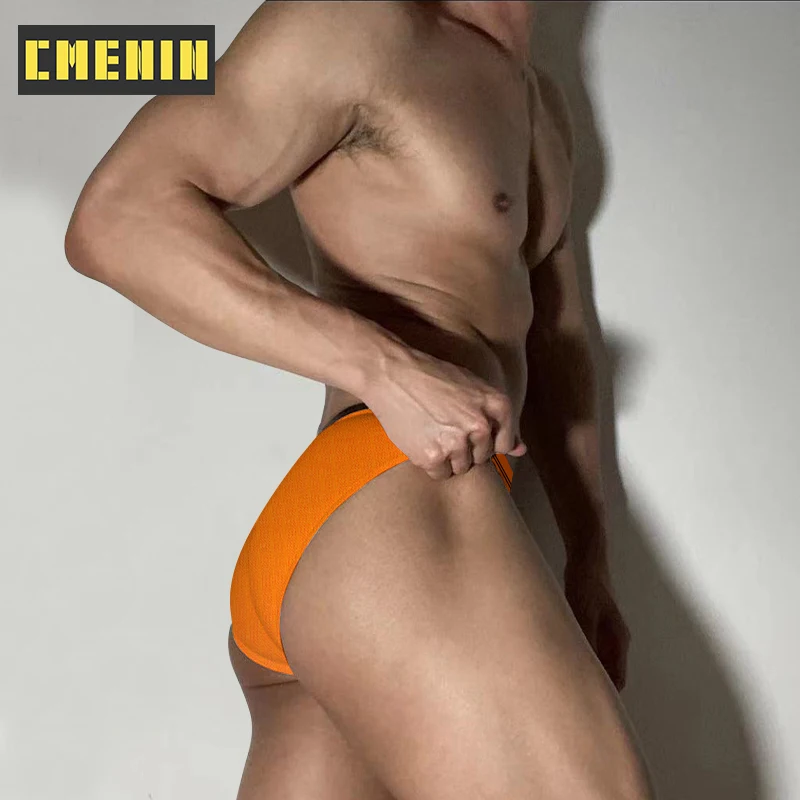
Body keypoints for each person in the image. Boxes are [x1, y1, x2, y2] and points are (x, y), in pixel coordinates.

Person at [65, 1, 654, 797]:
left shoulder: (540, 100)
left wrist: (589, 551)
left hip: (375, 548)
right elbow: (116, 217)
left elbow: (557, 337)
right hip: (400, 498)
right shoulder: (362, 24)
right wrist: (385, 369)